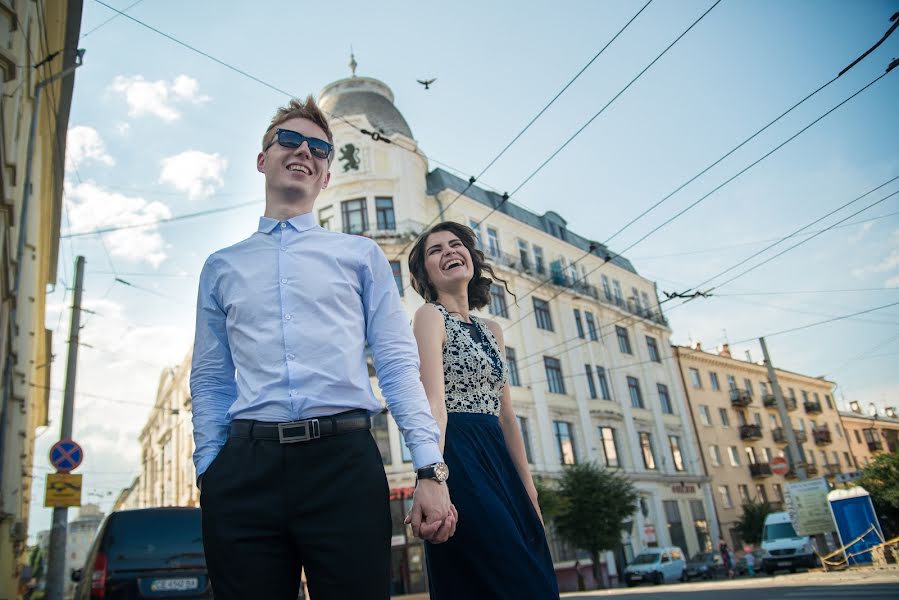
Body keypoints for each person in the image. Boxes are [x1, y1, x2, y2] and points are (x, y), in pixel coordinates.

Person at [190, 96, 456, 600]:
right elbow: (210, 377)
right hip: (245, 471)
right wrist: (210, 470)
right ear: (262, 158)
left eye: (319, 148)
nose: (303, 152)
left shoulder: (360, 256)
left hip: (344, 466)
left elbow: (399, 365)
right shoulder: (221, 267)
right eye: (288, 140)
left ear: (327, 175)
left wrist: (430, 468)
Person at [407, 221, 560, 599]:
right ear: (426, 272)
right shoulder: (429, 316)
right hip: (459, 455)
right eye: (436, 250)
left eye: (456, 244)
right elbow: (434, 405)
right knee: (504, 573)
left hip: (499, 458)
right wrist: (430, 476)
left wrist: (529, 490)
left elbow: (507, 417)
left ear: (471, 258)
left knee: (533, 568)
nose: (449, 252)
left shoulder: (492, 329)